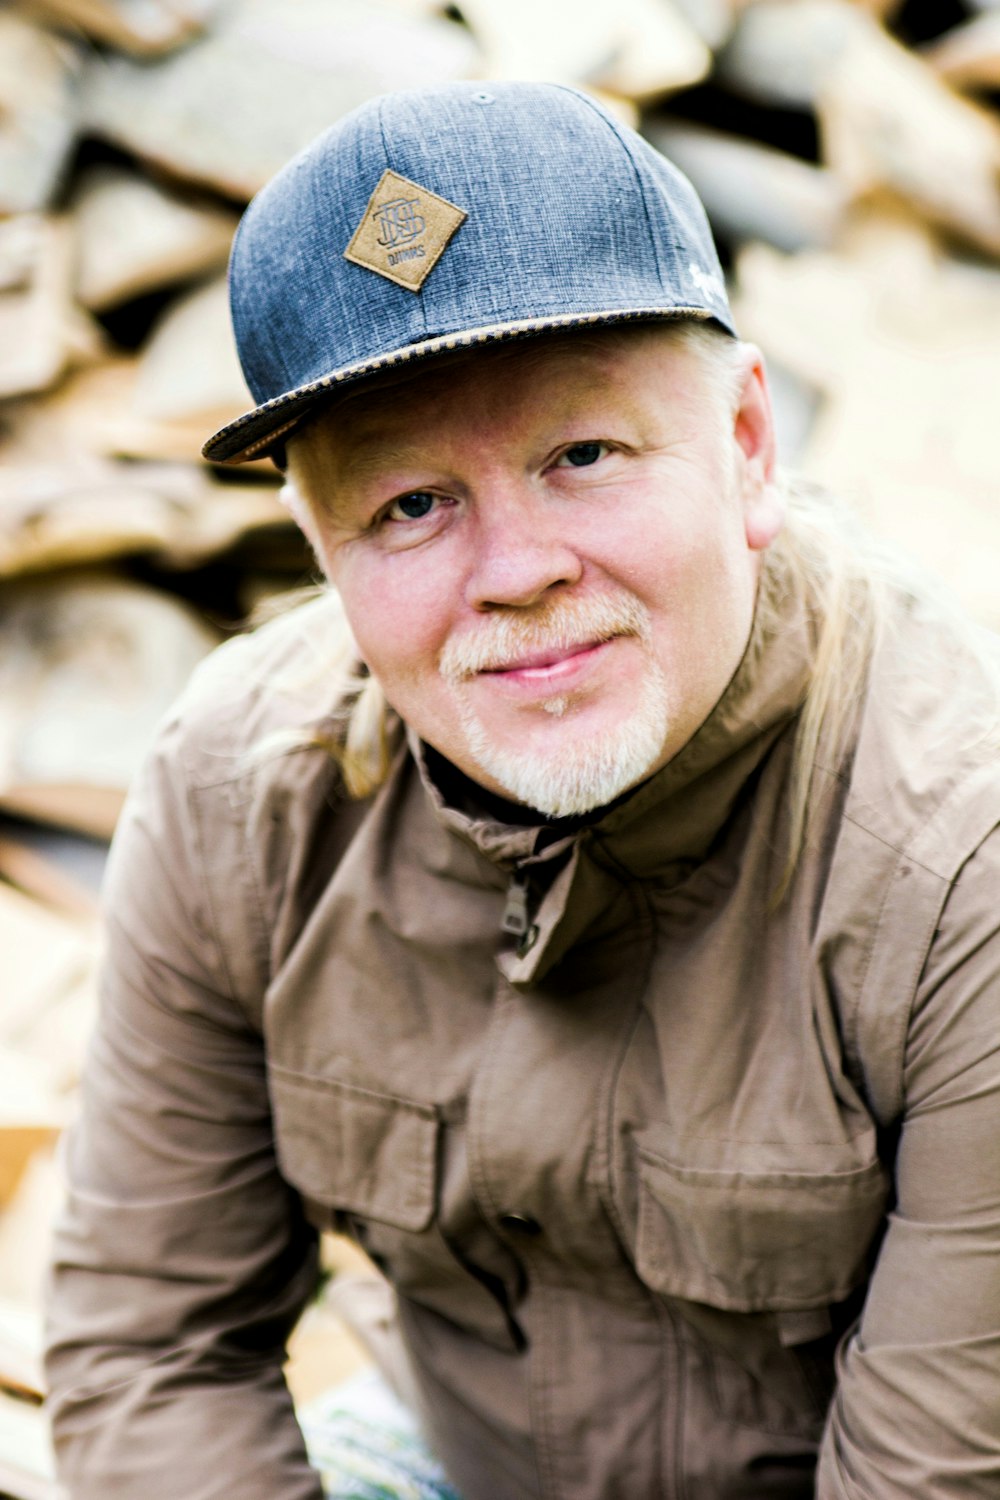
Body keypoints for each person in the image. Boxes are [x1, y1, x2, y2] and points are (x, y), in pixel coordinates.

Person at [45, 80, 1000, 1500]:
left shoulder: (956, 858)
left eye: (584, 455)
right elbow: (152, 1357)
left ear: (747, 445)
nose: (516, 570)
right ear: (321, 550)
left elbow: (932, 1480)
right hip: (460, 1455)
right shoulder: (242, 789)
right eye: (410, 505)